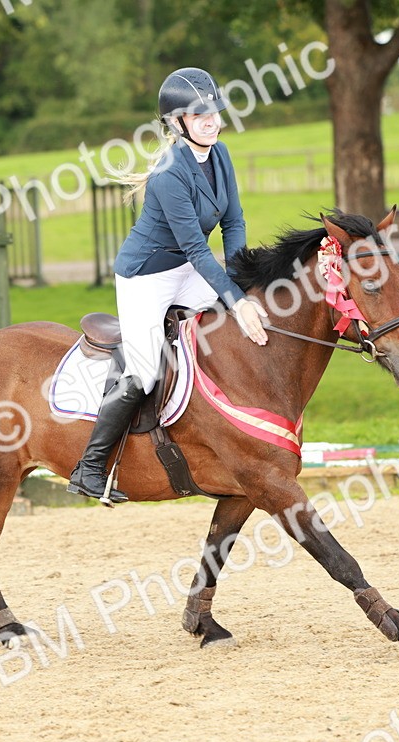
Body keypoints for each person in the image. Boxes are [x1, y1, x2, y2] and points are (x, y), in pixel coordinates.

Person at [67, 67, 270, 505]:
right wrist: (234, 298)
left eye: (214, 111)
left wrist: (239, 285)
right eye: (200, 116)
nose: (212, 121)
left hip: (187, 268)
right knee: (144, 371)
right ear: (178, 123)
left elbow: (234, 221)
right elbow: (198, 251)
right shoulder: (168, 175)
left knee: (229, 323)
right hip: (147, 277)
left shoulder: (220, 154)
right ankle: (89, 467)